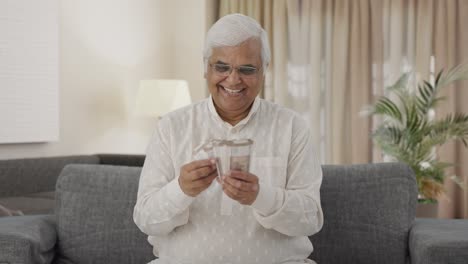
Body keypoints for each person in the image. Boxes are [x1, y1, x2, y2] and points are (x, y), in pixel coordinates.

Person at [133, 13, 323, 264]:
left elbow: (310, 219)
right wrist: (180, 189)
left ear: (264, 71)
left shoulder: (293, 127)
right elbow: (146, 220)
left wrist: (261, 196)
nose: (233, 79)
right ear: (205, 68)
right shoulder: (171, 127)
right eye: (222, 67)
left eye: (247, 69)